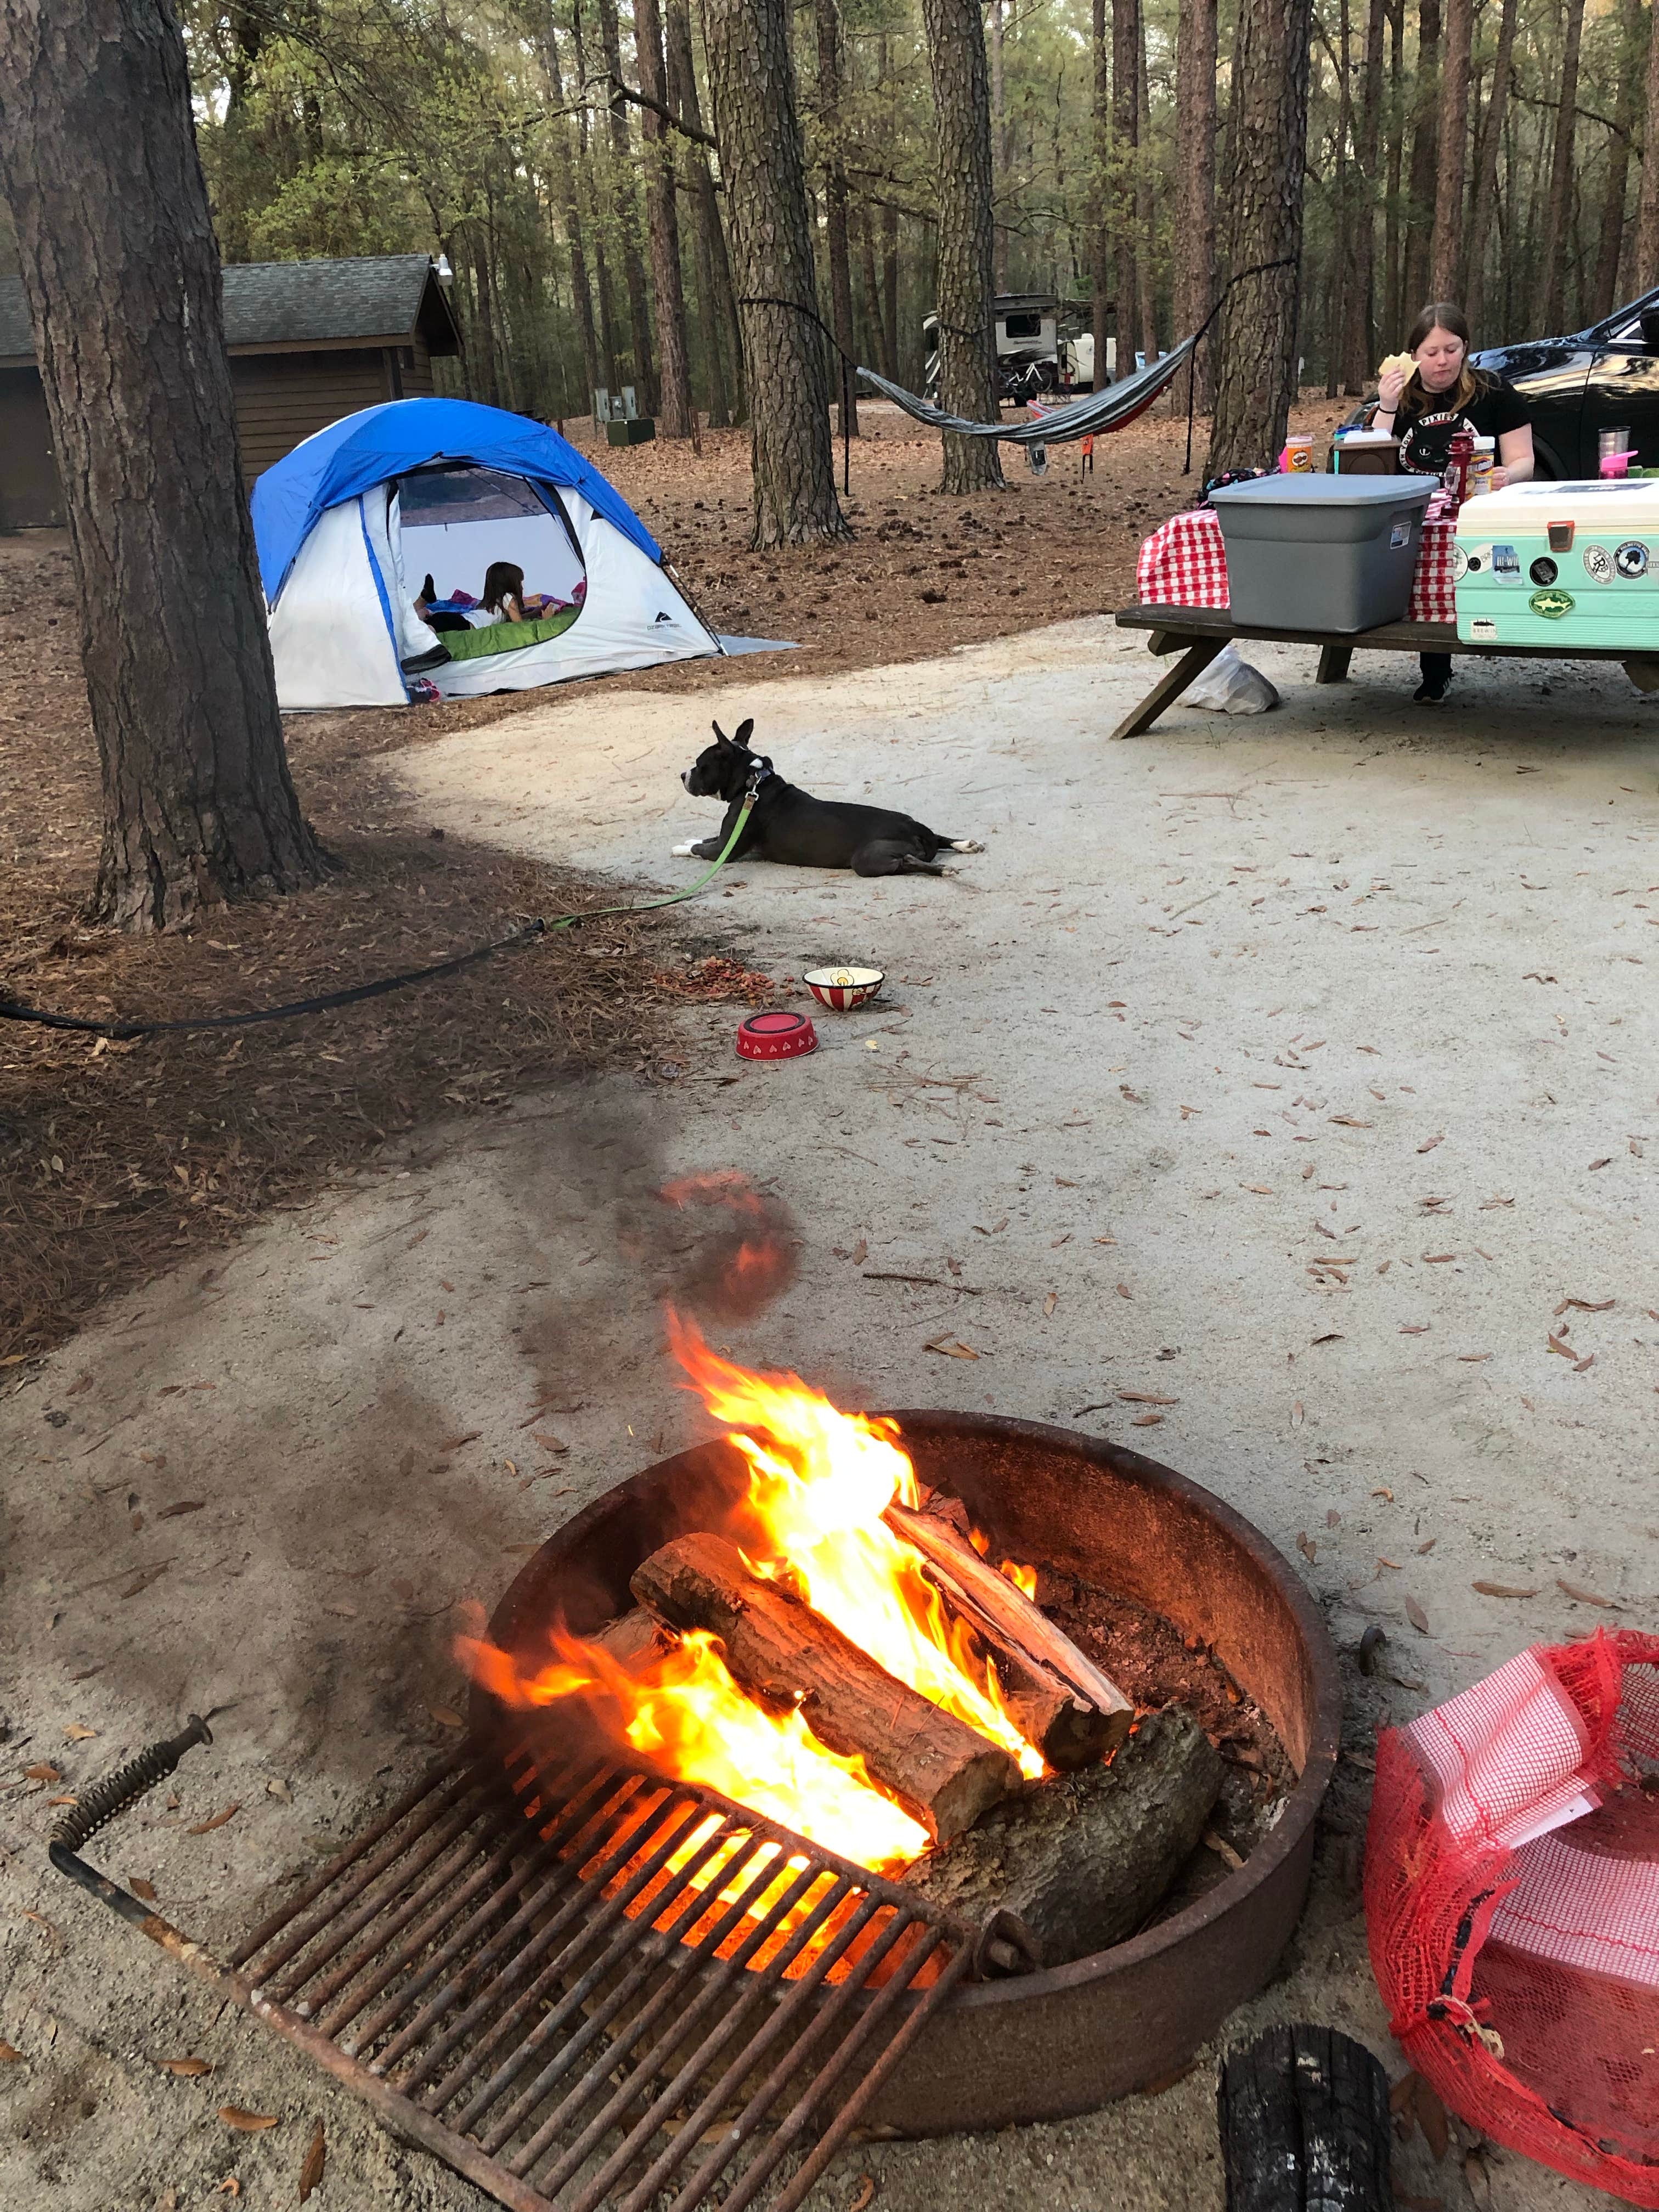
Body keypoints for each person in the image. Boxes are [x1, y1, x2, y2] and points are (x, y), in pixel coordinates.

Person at [1371, 303, 1534, 703]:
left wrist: (1508, 475)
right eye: (1431, 352)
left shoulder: (1493, 392)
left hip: (1479, 510)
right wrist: (1387, 407)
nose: (1442, 361)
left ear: (1466, 349)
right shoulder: (1399, 397)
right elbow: (1371, 465)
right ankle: (1434, 670)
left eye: (1452, 349)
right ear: (1413, 356)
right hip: (1416, 516)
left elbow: (1524, 460)